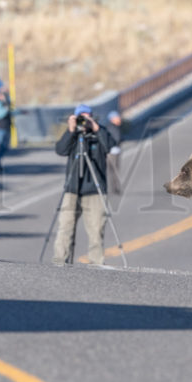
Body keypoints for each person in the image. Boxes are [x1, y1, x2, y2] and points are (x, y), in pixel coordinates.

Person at [52, 104, 116, 265]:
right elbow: (60, 150)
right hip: (72, 189)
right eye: (81, 117)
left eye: (87, 117)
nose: (84, 121)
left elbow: (110, 146)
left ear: (92, 117)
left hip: (94, 190)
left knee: (96, 230)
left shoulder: (99, 133)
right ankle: (60, 261)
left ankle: (96, 264)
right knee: (65, 227)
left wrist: (95, 128)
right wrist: (71, 130)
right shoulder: (73, 135)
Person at [104, 110, 123, 195]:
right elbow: (116, 139)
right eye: (117, 118)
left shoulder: (111, 127)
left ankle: (112, 188)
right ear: (112, 119)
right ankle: (114, 188)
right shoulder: (113, 128)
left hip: (111, 152)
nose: (119, 119)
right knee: (114, 171)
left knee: (110, 171)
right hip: (113, 152)